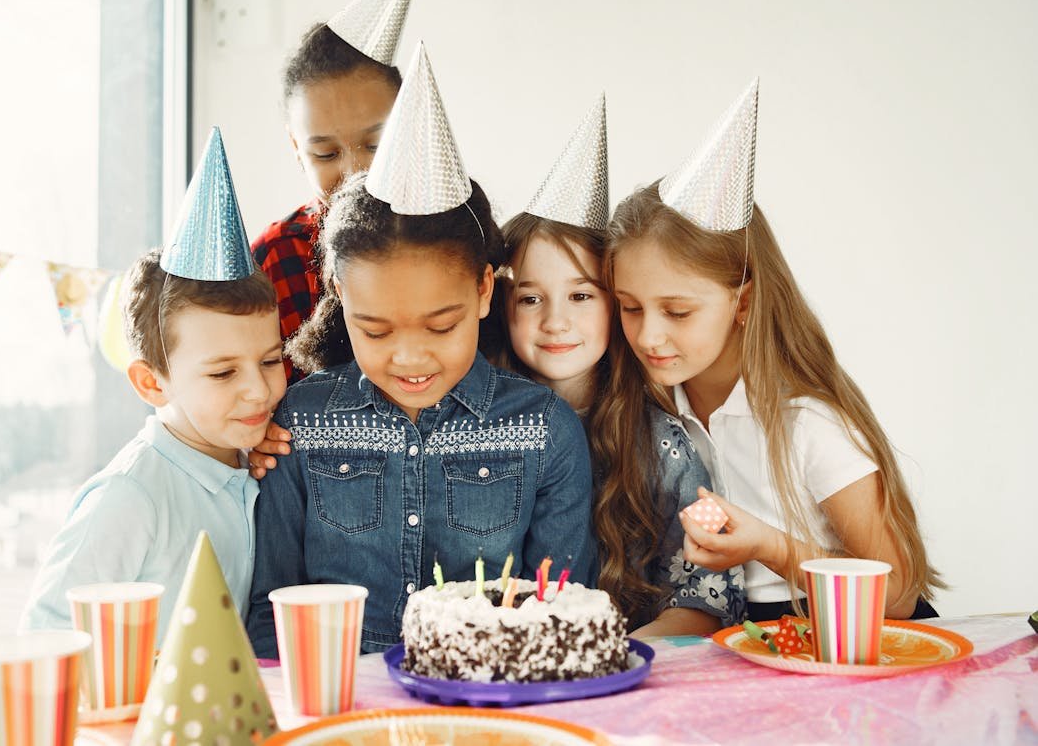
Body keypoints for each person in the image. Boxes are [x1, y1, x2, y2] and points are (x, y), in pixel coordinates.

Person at [245, 46, 596, 655]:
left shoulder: (546, 434)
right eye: (376, 330)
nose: (409, 358)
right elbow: (269, 619)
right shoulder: (297, 426)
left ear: (486, 289)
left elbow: (559, 624)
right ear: (337, 294)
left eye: (440, 327)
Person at [603, 79, 941, 622]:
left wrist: (771, 546)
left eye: (679, 311)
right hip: (737, 645)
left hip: (842, 641)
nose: (647, 337)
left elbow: (899, 594)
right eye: (630, 306)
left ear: (743, 301)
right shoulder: (660, 412)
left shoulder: (808, 423)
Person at [21, 130, 287, 643]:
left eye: (271, 360)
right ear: (151, 383)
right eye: (223, 372)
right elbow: (44, 635)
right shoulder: (130, 496)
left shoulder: (249, 458)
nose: (258, 389)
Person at [498, 98, 743, 634]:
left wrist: (618, 657)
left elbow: (709, 597)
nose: (555, 322)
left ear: (616, 302)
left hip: (636, 671)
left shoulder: (659, 442)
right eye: (531, 299)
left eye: (581, 296)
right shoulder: (481, 430)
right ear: (502, 306)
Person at [248, 0, 411, 477]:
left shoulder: (457, 239)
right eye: (324, 154)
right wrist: (248, 441)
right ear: (296, 148)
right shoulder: (273, 258)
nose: (355, 170)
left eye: (375, 145)